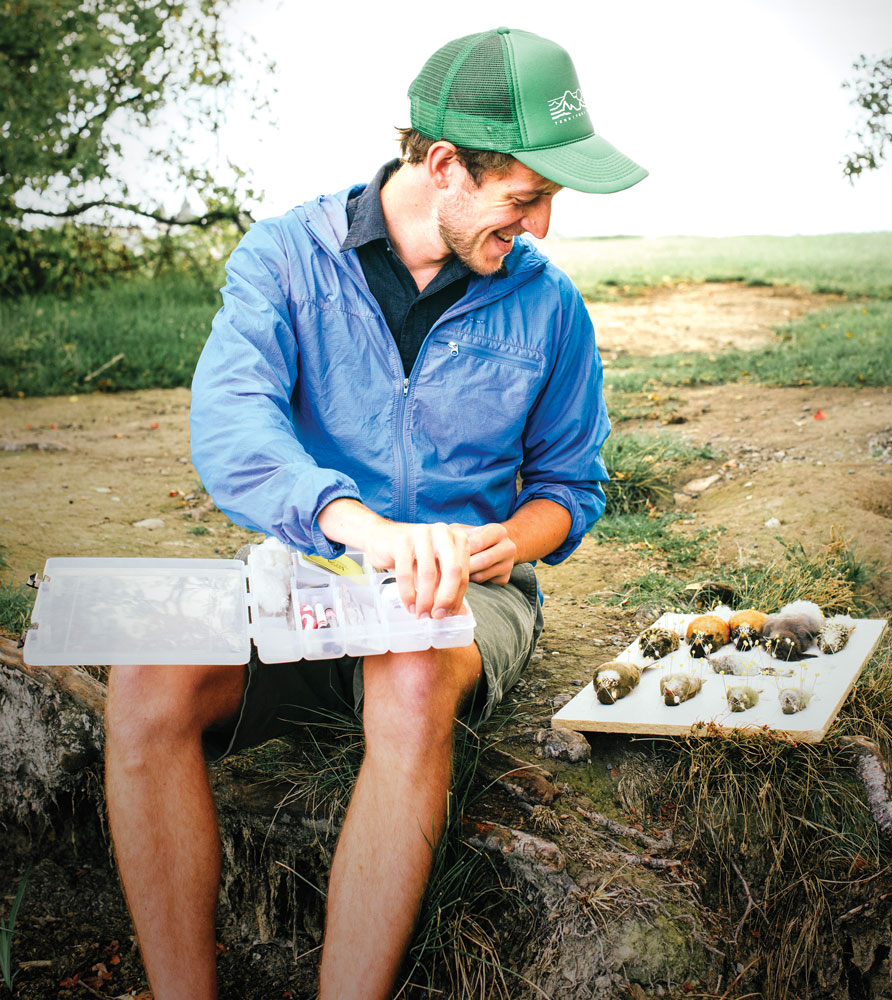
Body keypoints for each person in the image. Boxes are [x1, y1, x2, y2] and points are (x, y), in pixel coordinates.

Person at [103, 26, 647, 1000]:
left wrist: (501, 543)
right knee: (146, 682)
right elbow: (234, 429)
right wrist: (363, 528)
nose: (543, 225)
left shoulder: (551, 307)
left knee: (405, 674)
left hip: (469, 598)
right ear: (443, 165)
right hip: (313, 569)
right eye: (526, 198)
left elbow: (571, 486)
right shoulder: (281, 258)